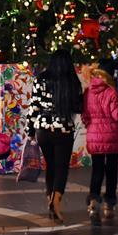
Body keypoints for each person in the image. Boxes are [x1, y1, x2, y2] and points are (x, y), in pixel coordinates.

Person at [27, 49, 83, 223]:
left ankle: (49, 198)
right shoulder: (72, 81)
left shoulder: (41, 79)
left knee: (50, 166)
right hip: (63, 129)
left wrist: (30, 130)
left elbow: (34, 106)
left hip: (43, 129)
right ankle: (56, 200)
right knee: (61, 167)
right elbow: (77, 108)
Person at [81, 58, 118, 224]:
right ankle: (109, 206)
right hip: (111, 136)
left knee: (97, 170)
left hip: (94, 136)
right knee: (111, 171)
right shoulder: (111, 92)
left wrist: (92, 126)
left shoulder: (87, 91)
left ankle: (93, 202)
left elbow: (84, 116)